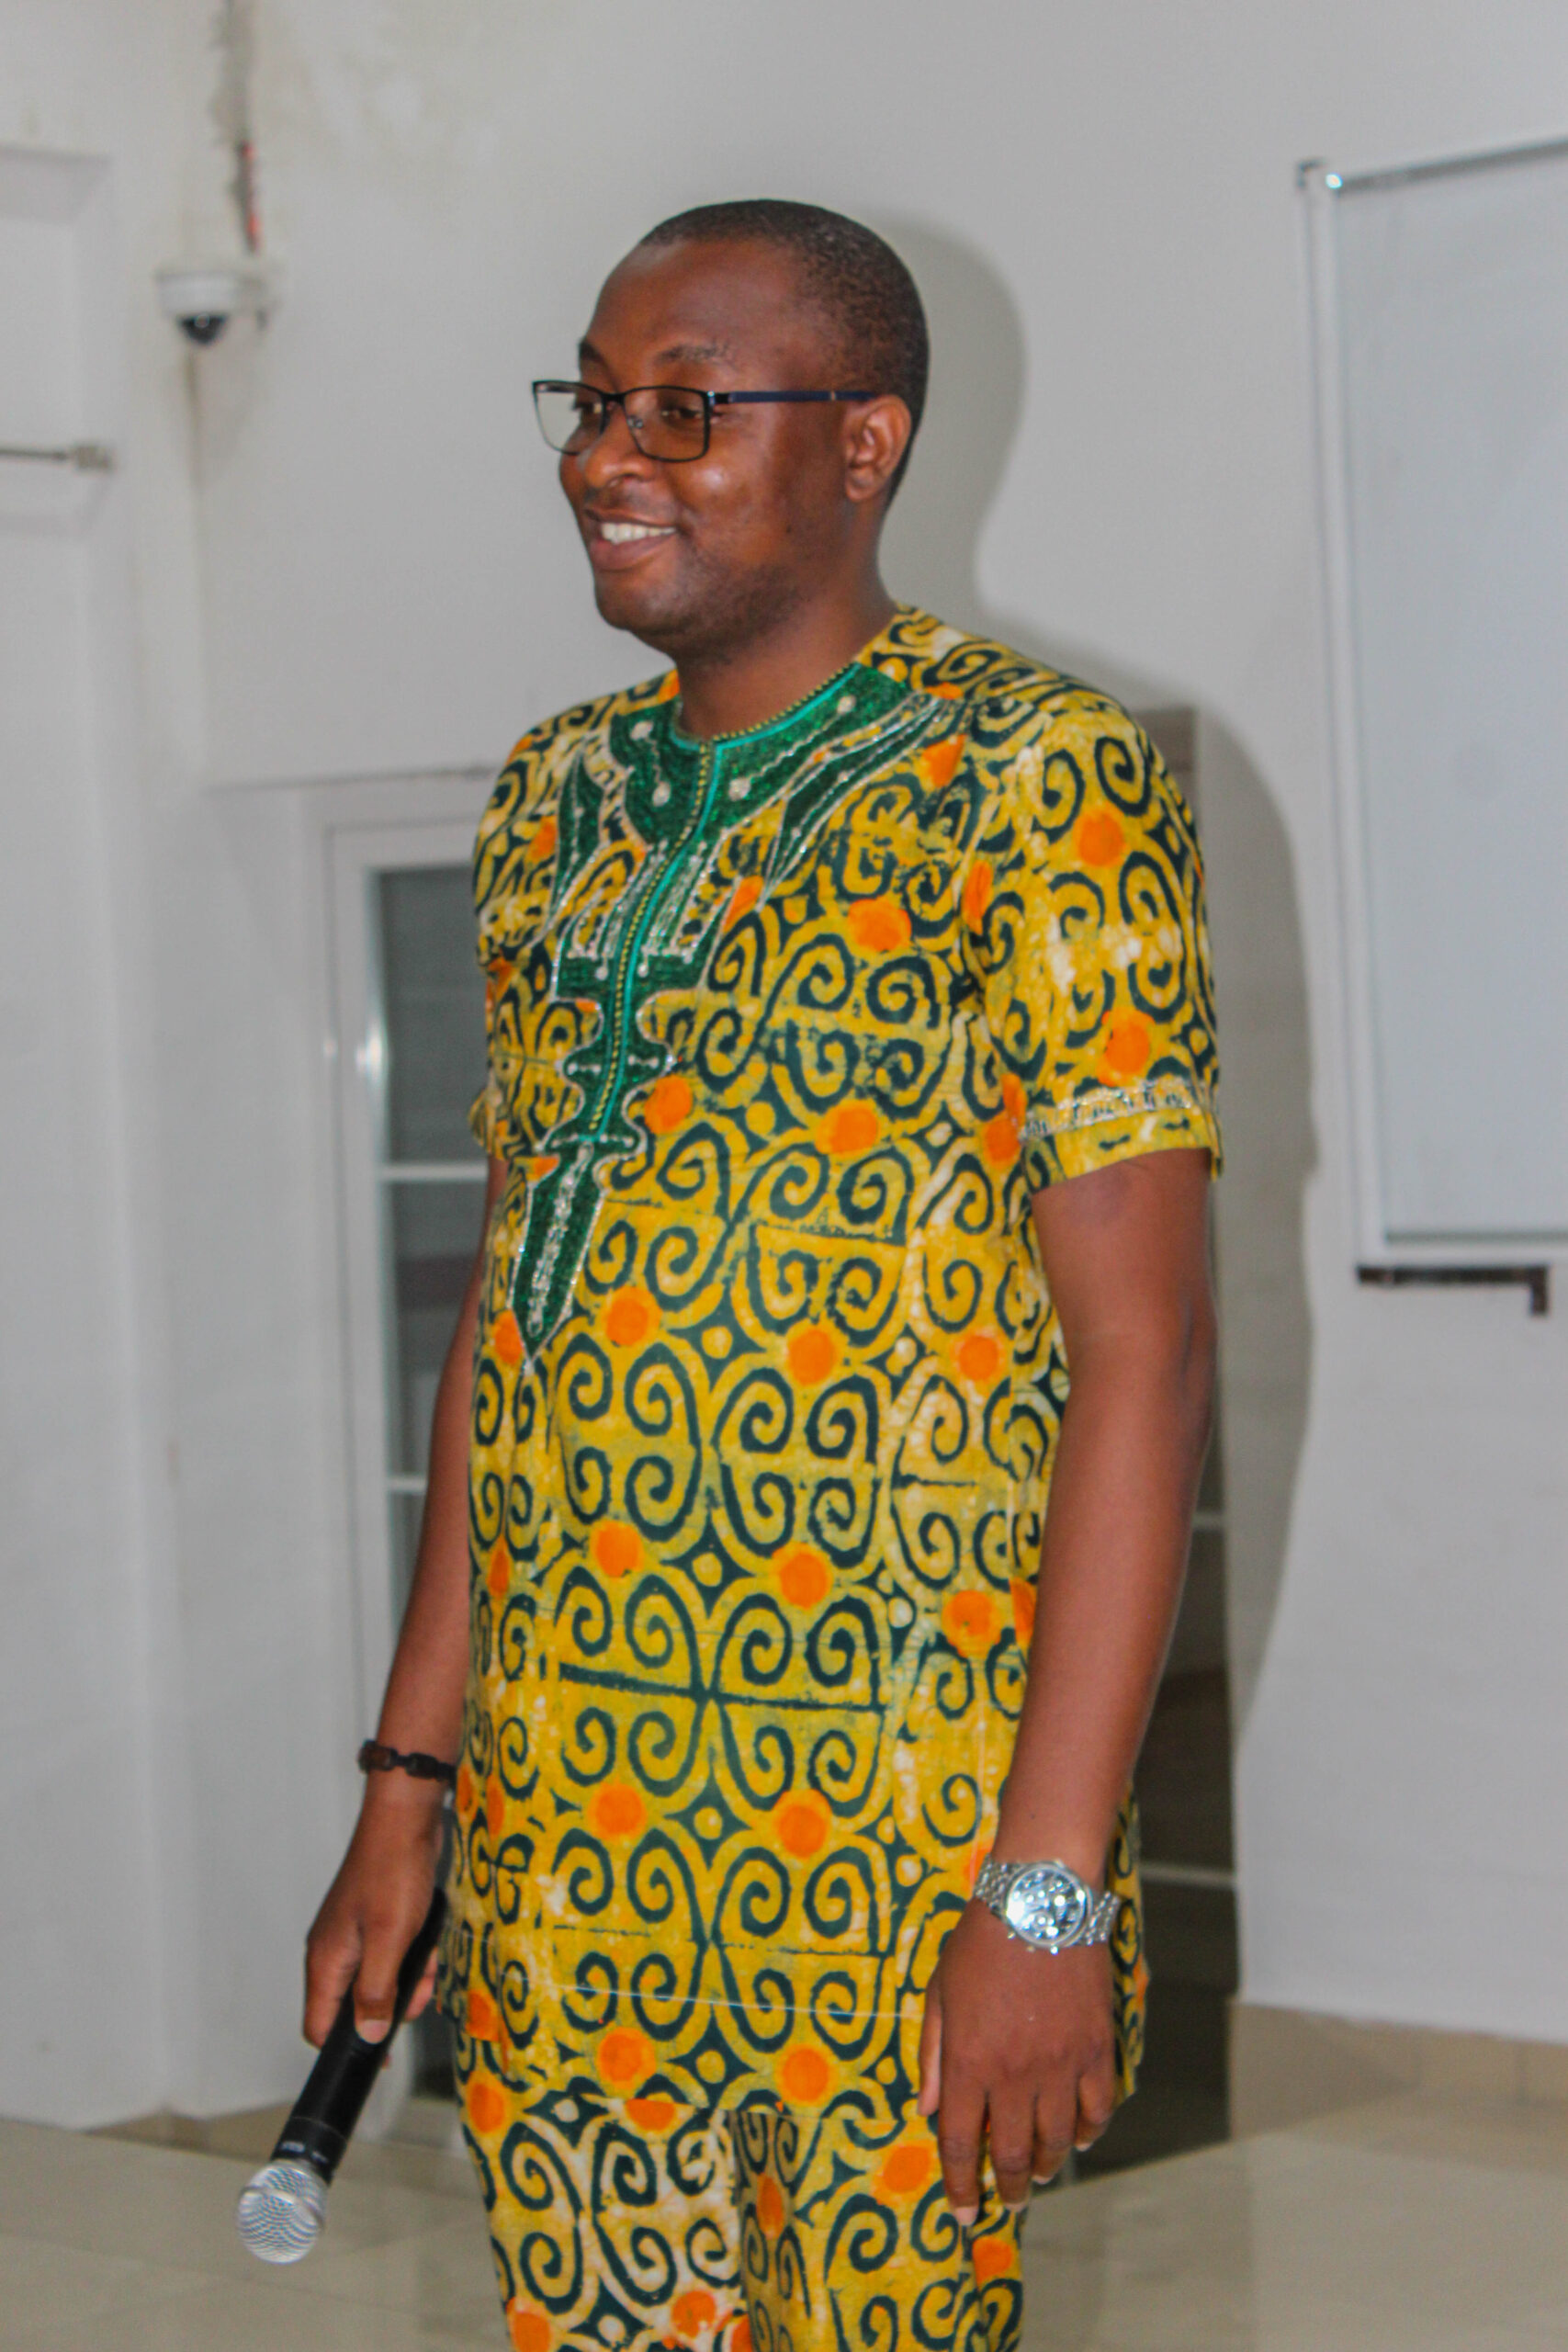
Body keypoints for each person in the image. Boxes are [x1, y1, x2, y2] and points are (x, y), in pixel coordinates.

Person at [306, 198, 1220, 2352]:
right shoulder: (552, 803)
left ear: (863, 442)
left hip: (896, 1847)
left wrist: (1043, 1886)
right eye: (592, 400)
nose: (604, 455)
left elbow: (1145, 1359)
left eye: (684, 409)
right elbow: (510, 1315)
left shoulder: (1035, 778)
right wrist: (406, 1786)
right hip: (571, 1858)